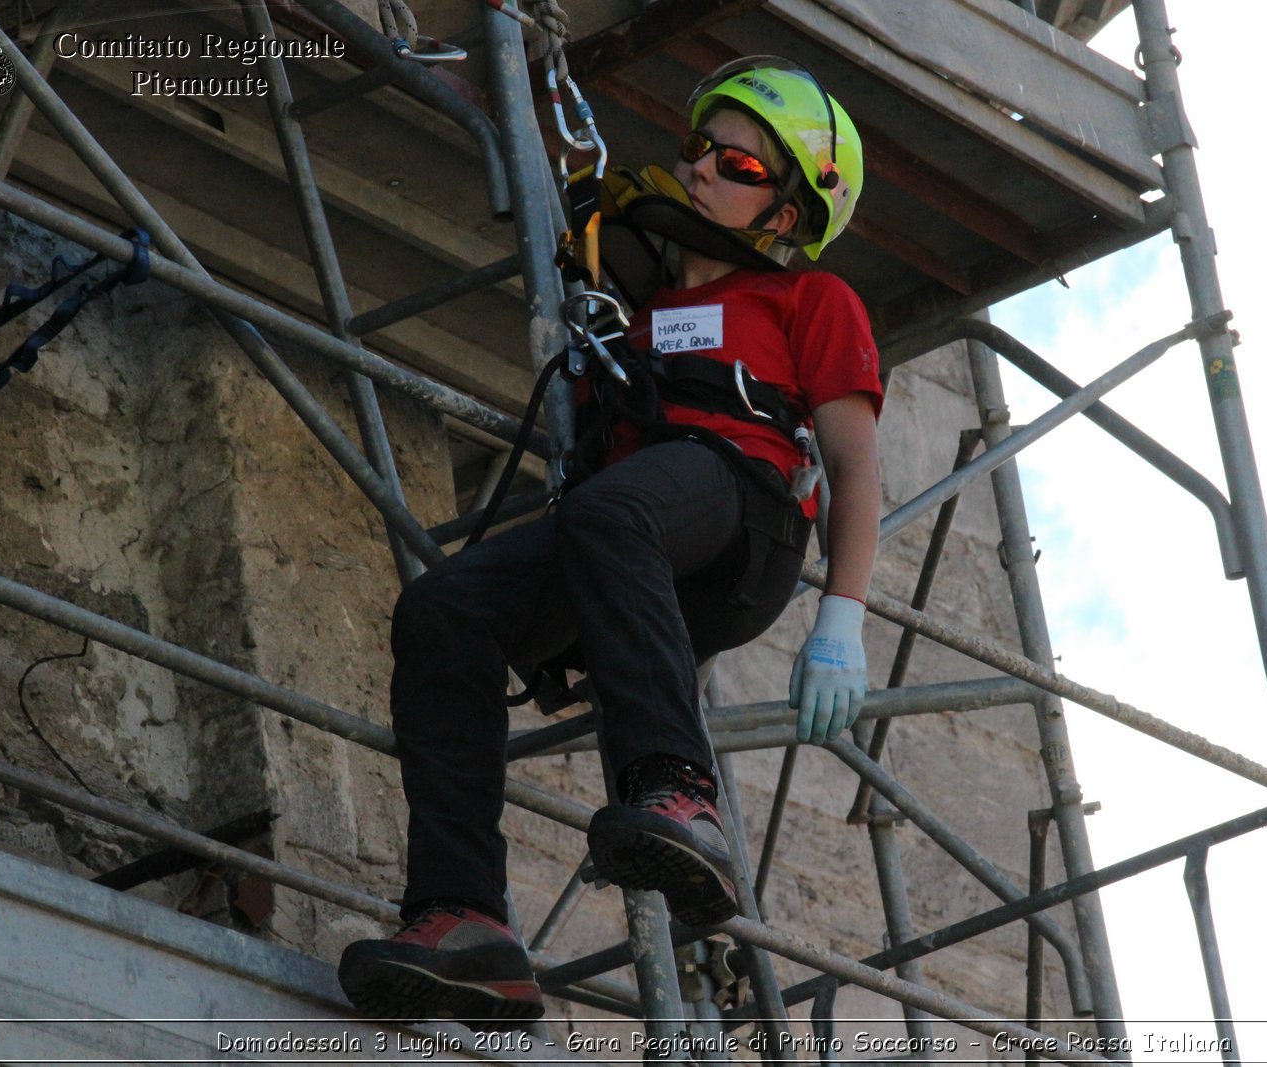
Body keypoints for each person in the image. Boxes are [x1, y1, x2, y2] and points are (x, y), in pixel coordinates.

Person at [338, 57, 883, 1028]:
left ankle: (681, 795)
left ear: (788, 216)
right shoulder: (631, 323)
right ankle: (464, 920)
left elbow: (853, 461)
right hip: (633, 533)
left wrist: (841, 612)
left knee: (615, 509)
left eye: (740, 166)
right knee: (445, 606)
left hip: (740, 513)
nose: (703, 170)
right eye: (700, 152)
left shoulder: (810, 302)